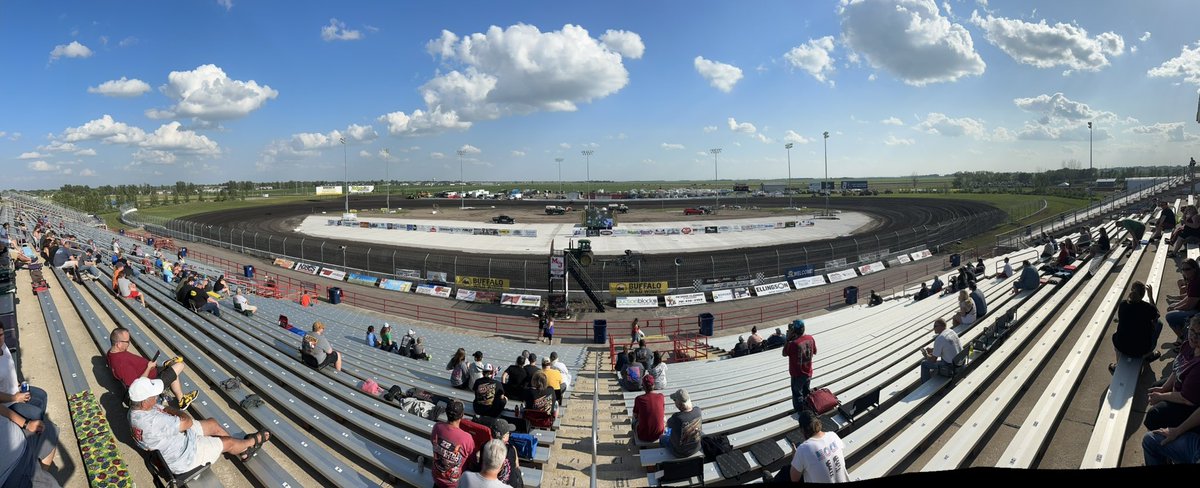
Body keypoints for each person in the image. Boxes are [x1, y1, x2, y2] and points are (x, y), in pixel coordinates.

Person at [128, 377, 269, 476]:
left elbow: (163, 414)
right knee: (229, 442)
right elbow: (186, 421)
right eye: (154, 396)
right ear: (144, 402)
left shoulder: (133, 411)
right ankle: (248, 444)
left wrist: (165, 409)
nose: (156, 397)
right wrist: (171, 410)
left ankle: (238, 449)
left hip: (171, 441)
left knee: (212, 423)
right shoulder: (153, 421)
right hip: (183, 456)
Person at [106, 328, 198, 409]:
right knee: (179, 365)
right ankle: (181, 400)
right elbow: (138, 384)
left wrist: (149, 366)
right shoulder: (122, 364)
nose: (129, 343)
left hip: (150, 371)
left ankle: (181, 399)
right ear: (118, 344)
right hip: (151, 382)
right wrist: (149, 367)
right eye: (127, 342)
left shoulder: (111, 352)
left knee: (172, 370)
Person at [1144, 318, 1200, 431]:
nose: (1194, 337)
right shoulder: (1188, 345)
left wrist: (1161, 396)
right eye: (1192, 330)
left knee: (1153, 416)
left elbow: (1186, 399)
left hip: (1190, 405)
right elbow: (1177, 369)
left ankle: (1163, 439)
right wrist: (1163, 388)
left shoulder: (1198, 368)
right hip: (1182, 387)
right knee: (1154, 386)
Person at [0, 401, 59, 487]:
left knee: (49, 430)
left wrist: (26, 424)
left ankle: (41, 471)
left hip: (19, 436)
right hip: (11, 470)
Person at [783, 410, 849, 483]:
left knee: (785, 472)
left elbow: (794, 478)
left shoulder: (802, 449)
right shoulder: (833, 435)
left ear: (802, 430)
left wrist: (795, 458)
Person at [1111, 281, 1162, 373]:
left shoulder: (1123, 304)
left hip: (1121, 346)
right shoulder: (1147, 308)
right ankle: (1149, 354)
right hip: (1141, 349)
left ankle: (1117, 365)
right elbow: (1157, 315)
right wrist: (1150, 297)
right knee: (1159, 324)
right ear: (1143, 295)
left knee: (1120, 329)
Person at [431, 401, 475, 488]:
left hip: (437, 477)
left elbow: (433, 442)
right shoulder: (467, 438)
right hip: (454, 484)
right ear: (462, 415)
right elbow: (471, 458)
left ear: (446, 412)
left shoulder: (437, 427)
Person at [784, 319, 816, 418]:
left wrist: (788, 339)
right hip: (808, 372)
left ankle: (801, 414)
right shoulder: (810, 338)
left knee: (797, 395)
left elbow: (784, 353)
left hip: (797, 375)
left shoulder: (794, 343)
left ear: (794, 331)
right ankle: (808, 408)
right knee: (806, 392)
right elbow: (814, 351)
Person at [1167, 259, 1200, 346]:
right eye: (1183, 269)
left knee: (1170, 316)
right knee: (1172, 308)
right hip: (1196, 307)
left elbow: (1189, 305)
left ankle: (1184, 339)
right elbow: (1189, 297)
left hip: (1198, 311)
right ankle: (1185, 337)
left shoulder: (1196, 283)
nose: (1185, 272)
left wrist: (1175, 308)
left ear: (1194, 269)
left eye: (1187, 269)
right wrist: (1176, 305)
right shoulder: (1193, 279)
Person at [662, 389, 702, 457]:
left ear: (679, 403)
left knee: (662, 438)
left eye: (675, 400)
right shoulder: (698, 410)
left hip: (680, 453)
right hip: (696, 448)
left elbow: (667, 425)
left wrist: (664, 420)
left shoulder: (677, 418)